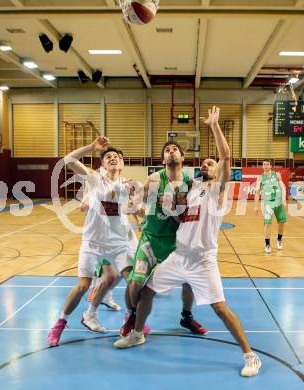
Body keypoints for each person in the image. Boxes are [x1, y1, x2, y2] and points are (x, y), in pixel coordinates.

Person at [114, 106, 261, 378]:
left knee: (219, 306)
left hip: (203, 260)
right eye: (203, 163)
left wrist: (214, 126)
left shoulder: (218, 191)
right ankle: (137, 333)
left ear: (218, 171)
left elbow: (226, 156)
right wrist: (139, 208)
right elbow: (173, 214)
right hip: (178, 256)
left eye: (211, 163)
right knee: (145, 291)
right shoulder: (191, 191)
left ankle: (250, 356)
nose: (206, 165)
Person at [117, 139, 208, 343]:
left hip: (177, 241)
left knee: (188, 281)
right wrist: (134, 205)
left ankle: (186, 316)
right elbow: (136, 203)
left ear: (183, 157)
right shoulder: (154, 179)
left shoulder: (191, 182)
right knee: (135, 283)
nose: (171, 152)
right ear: (163, 158)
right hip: (152, 238)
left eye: (175, 149)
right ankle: (132, 315)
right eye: (167, 150)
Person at [47, 138, 134, 345]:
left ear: (122, 163)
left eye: (117, 157)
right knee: (83, 285)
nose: (113, 158)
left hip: (118, 243)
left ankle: (131, 319)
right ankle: (60, 323)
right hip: (93, 241)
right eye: (108, 157)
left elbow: (130, 210)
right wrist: (91, 148)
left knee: (134, 281)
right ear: (103, 164)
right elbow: (67, 160)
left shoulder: (128, 186)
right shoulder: (95, 178)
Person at [254, 159, 287, 253]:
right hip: (267, 204)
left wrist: (284, 200)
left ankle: (279, 239)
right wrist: (256, 206)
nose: (265, 166)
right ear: (262, 166)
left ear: (271, 166)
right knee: (268, 223)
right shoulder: (260, 178)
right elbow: (257, 192)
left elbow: (282, 187)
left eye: (267, 164)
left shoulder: (277, 175)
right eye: (264, 164)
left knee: (282, 222)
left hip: (279, 202)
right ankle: (267, 244)